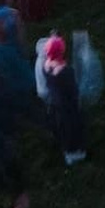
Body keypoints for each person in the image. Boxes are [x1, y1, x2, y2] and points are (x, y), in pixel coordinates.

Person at [41, 34, 87, 165]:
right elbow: (73, 90)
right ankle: (77, 153)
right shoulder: (65, 71)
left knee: (62, 129)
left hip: (57, 106)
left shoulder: (46, 66)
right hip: (69, 106)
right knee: (73, 128)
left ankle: (68, 152)